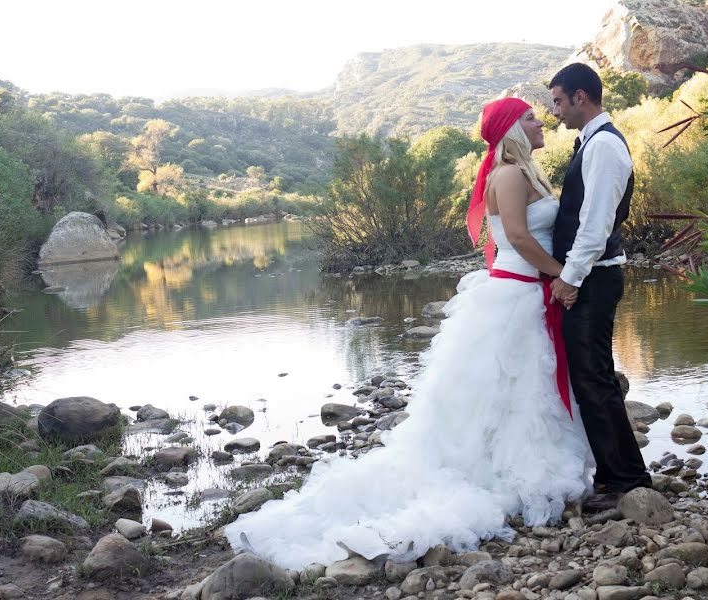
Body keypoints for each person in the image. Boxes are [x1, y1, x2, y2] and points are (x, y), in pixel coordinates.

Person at [223, 98, 594, 571]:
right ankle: (500, 472)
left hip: (522, 291)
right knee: (511, 386)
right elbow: (518, 239)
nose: (541, 121)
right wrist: (564, 276)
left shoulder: (525, 172)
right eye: (530, 118)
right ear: (511, 130)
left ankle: (514, 462)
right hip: (518, 293)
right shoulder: (510, 175)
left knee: (518, 390)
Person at [546, 63, 651, 509]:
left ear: (581, 97)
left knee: (595, 380)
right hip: (593, 276)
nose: (555, 111)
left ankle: (626, 480)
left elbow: (596, 224)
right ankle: (618, 474)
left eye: (558, 101)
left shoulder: (604, 146)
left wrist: (569, 279)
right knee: (593, 378)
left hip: (594, 277)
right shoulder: (591, 142)